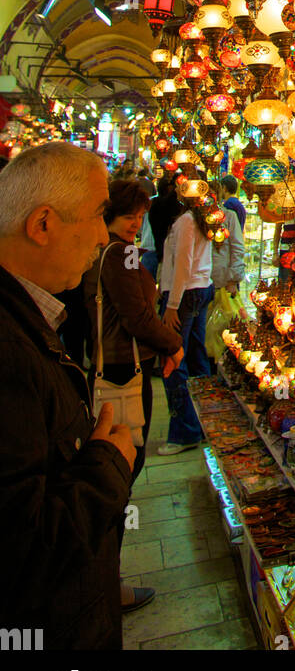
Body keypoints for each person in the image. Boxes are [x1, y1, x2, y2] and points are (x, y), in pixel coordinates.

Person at [0, 142, 135, 650]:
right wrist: (108, 464)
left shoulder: (27, 318)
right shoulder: (8, 353)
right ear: (42, 225)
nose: (105, 235)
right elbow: (22, 548)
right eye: (99, 215)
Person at [82, 179, 185, 609]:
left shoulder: (99, 251)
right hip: (124, 373)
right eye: (129, 217)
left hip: (113, 367)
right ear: (109, 217)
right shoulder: (120, 254)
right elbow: (139, 317)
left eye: (141, 218)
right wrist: (173, 344)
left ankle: (103, 578)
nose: (136, 225)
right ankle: (107, 583)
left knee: (117, 469)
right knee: (120, 470)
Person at [157, 202, 213, 453]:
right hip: (198, 290)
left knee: (174, 360)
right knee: (195, 356)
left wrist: (172, 304)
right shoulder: (199, 220)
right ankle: (204, 422)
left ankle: (184, 431)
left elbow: (183, 264)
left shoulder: (188, 222)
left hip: (186, 294)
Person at [147, 173, 183, 266]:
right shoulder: (164, 205)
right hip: (168, 257)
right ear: (170, 188)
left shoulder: (155, 204)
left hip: (163, 255)